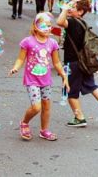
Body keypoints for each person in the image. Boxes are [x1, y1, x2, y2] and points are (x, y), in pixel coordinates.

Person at [56, 0, 98, 128]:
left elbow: (59, 22)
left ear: (80, 12)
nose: (69, 8)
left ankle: (80, 118)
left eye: (73, 7)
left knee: (70, 92)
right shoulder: (82, 23)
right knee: (92, 86)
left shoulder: (73, 22)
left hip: (73, 63)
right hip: (85, 62)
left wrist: (64, 9)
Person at [9, 13, 69, 141]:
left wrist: (64, 75)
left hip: (46, 80)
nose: (47, 28)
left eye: (49, 25)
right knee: (37, 107)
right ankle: (24, 122)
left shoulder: (52, 43)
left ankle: (44, 130)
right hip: (32, 80)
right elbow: (21, 58)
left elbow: (57, 62)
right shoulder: (28, 42)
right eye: (43, 25)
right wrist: (16, 67)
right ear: (35, 27)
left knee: (46, 106)